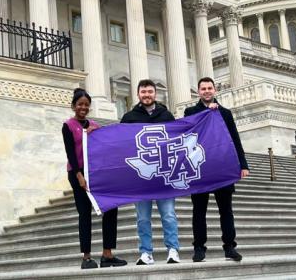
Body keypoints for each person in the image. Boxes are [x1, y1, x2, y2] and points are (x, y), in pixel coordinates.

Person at [184, 77, 250, 263]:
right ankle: (199, 248)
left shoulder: (225, 113)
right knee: (199, 210)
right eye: (203, 88)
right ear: (198, 92)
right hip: (200, 167)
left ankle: (230, 247)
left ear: (214, 90)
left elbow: (234, 138)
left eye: (209, 88)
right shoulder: (190, 111)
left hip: (223, 166)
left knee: (226, 210)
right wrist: (207, 113)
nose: (206, 91)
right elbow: (186, 135)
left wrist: (243, 164)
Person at [62, 88, 127, 269]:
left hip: (97, 172)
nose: (83, 107)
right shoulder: (68, 126)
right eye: (80, 104)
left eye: (86, 105)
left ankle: (107, 254)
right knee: (85, 214)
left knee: (111, 209)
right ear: (74, 106)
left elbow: (105, 147)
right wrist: (79, 175)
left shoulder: (95, 126)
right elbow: (70, 153)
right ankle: (86, 257)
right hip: (78, 173)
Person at [120, 79, 180, 266]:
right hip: (141, 177)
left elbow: (179, 139)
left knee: (169, 215)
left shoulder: (167, 115)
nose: (147, 95)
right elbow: (119, 143)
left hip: (164, 175)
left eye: (150, 92)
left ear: (155, 94)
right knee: (143, 218)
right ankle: (146, 252)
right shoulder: (129, 117)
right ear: (138, 94)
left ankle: (173, 250)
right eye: (143, 92)